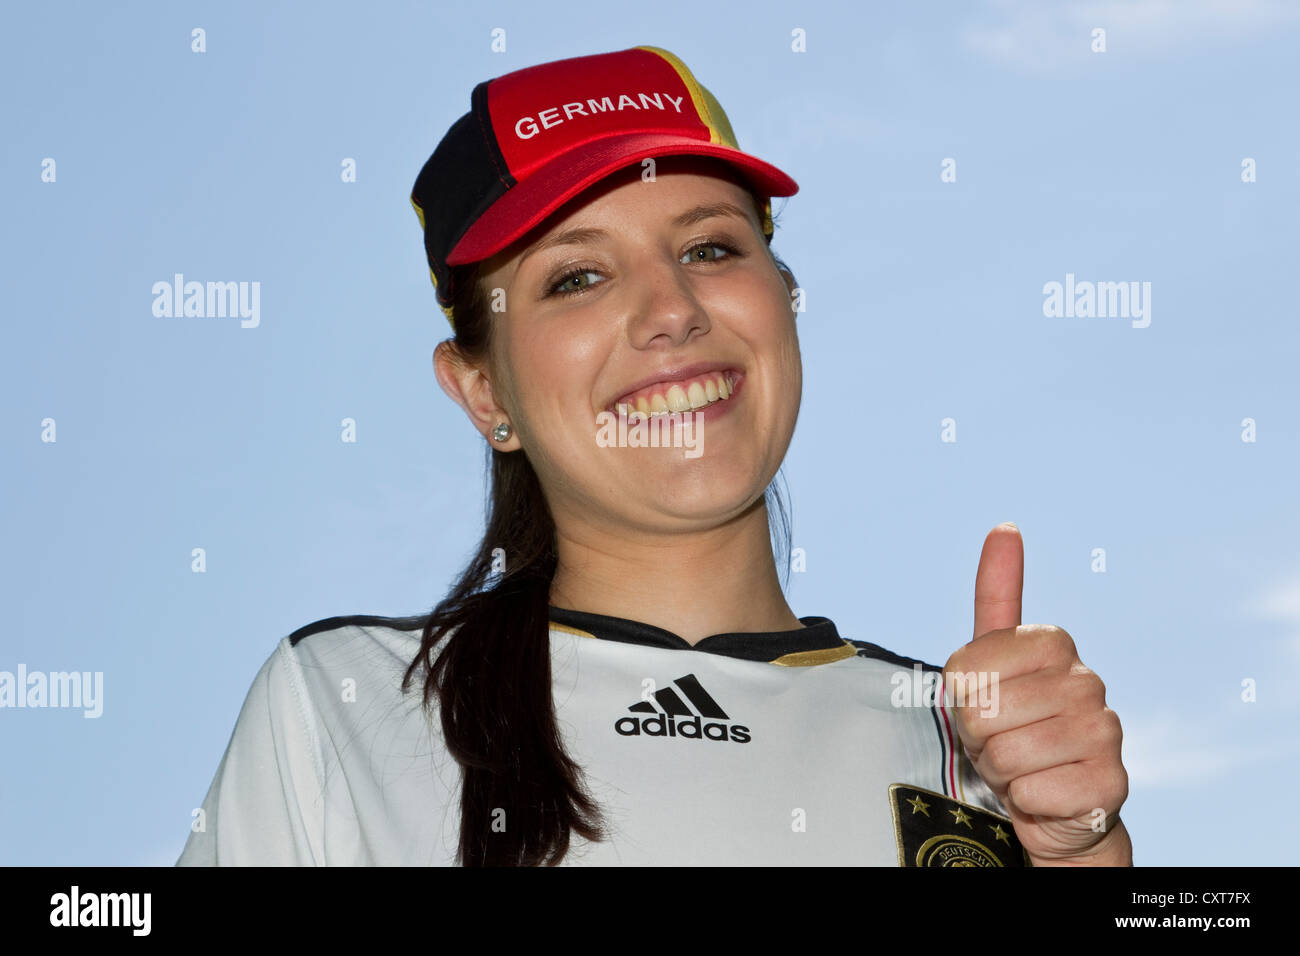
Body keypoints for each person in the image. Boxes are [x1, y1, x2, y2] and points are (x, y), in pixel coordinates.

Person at [177, 45, 1129, 867]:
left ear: (786, 299)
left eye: (711, 248)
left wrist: (1082, 857)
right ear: (483, 391)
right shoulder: (344, 706)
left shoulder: (976, 747)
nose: (672, 309)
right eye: (578, 276)